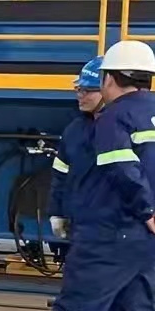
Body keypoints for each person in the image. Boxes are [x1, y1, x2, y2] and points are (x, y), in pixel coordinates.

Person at [11, 39, 155, 311]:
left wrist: (145, 208)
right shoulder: (152, 114)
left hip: (111, 231)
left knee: (78, 308)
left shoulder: (114, 117)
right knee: (134, 309)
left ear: (109, 79)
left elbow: (121, 167)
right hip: (147, 240)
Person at [48, 56, 105, 263]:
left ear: (108, 90)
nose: (80, 95)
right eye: (78, 89)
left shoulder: (121, 128)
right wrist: (57, 213)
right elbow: (60, 174)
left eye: (87, 90)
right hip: (80, 227)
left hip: (109, 230)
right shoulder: (74, 130)